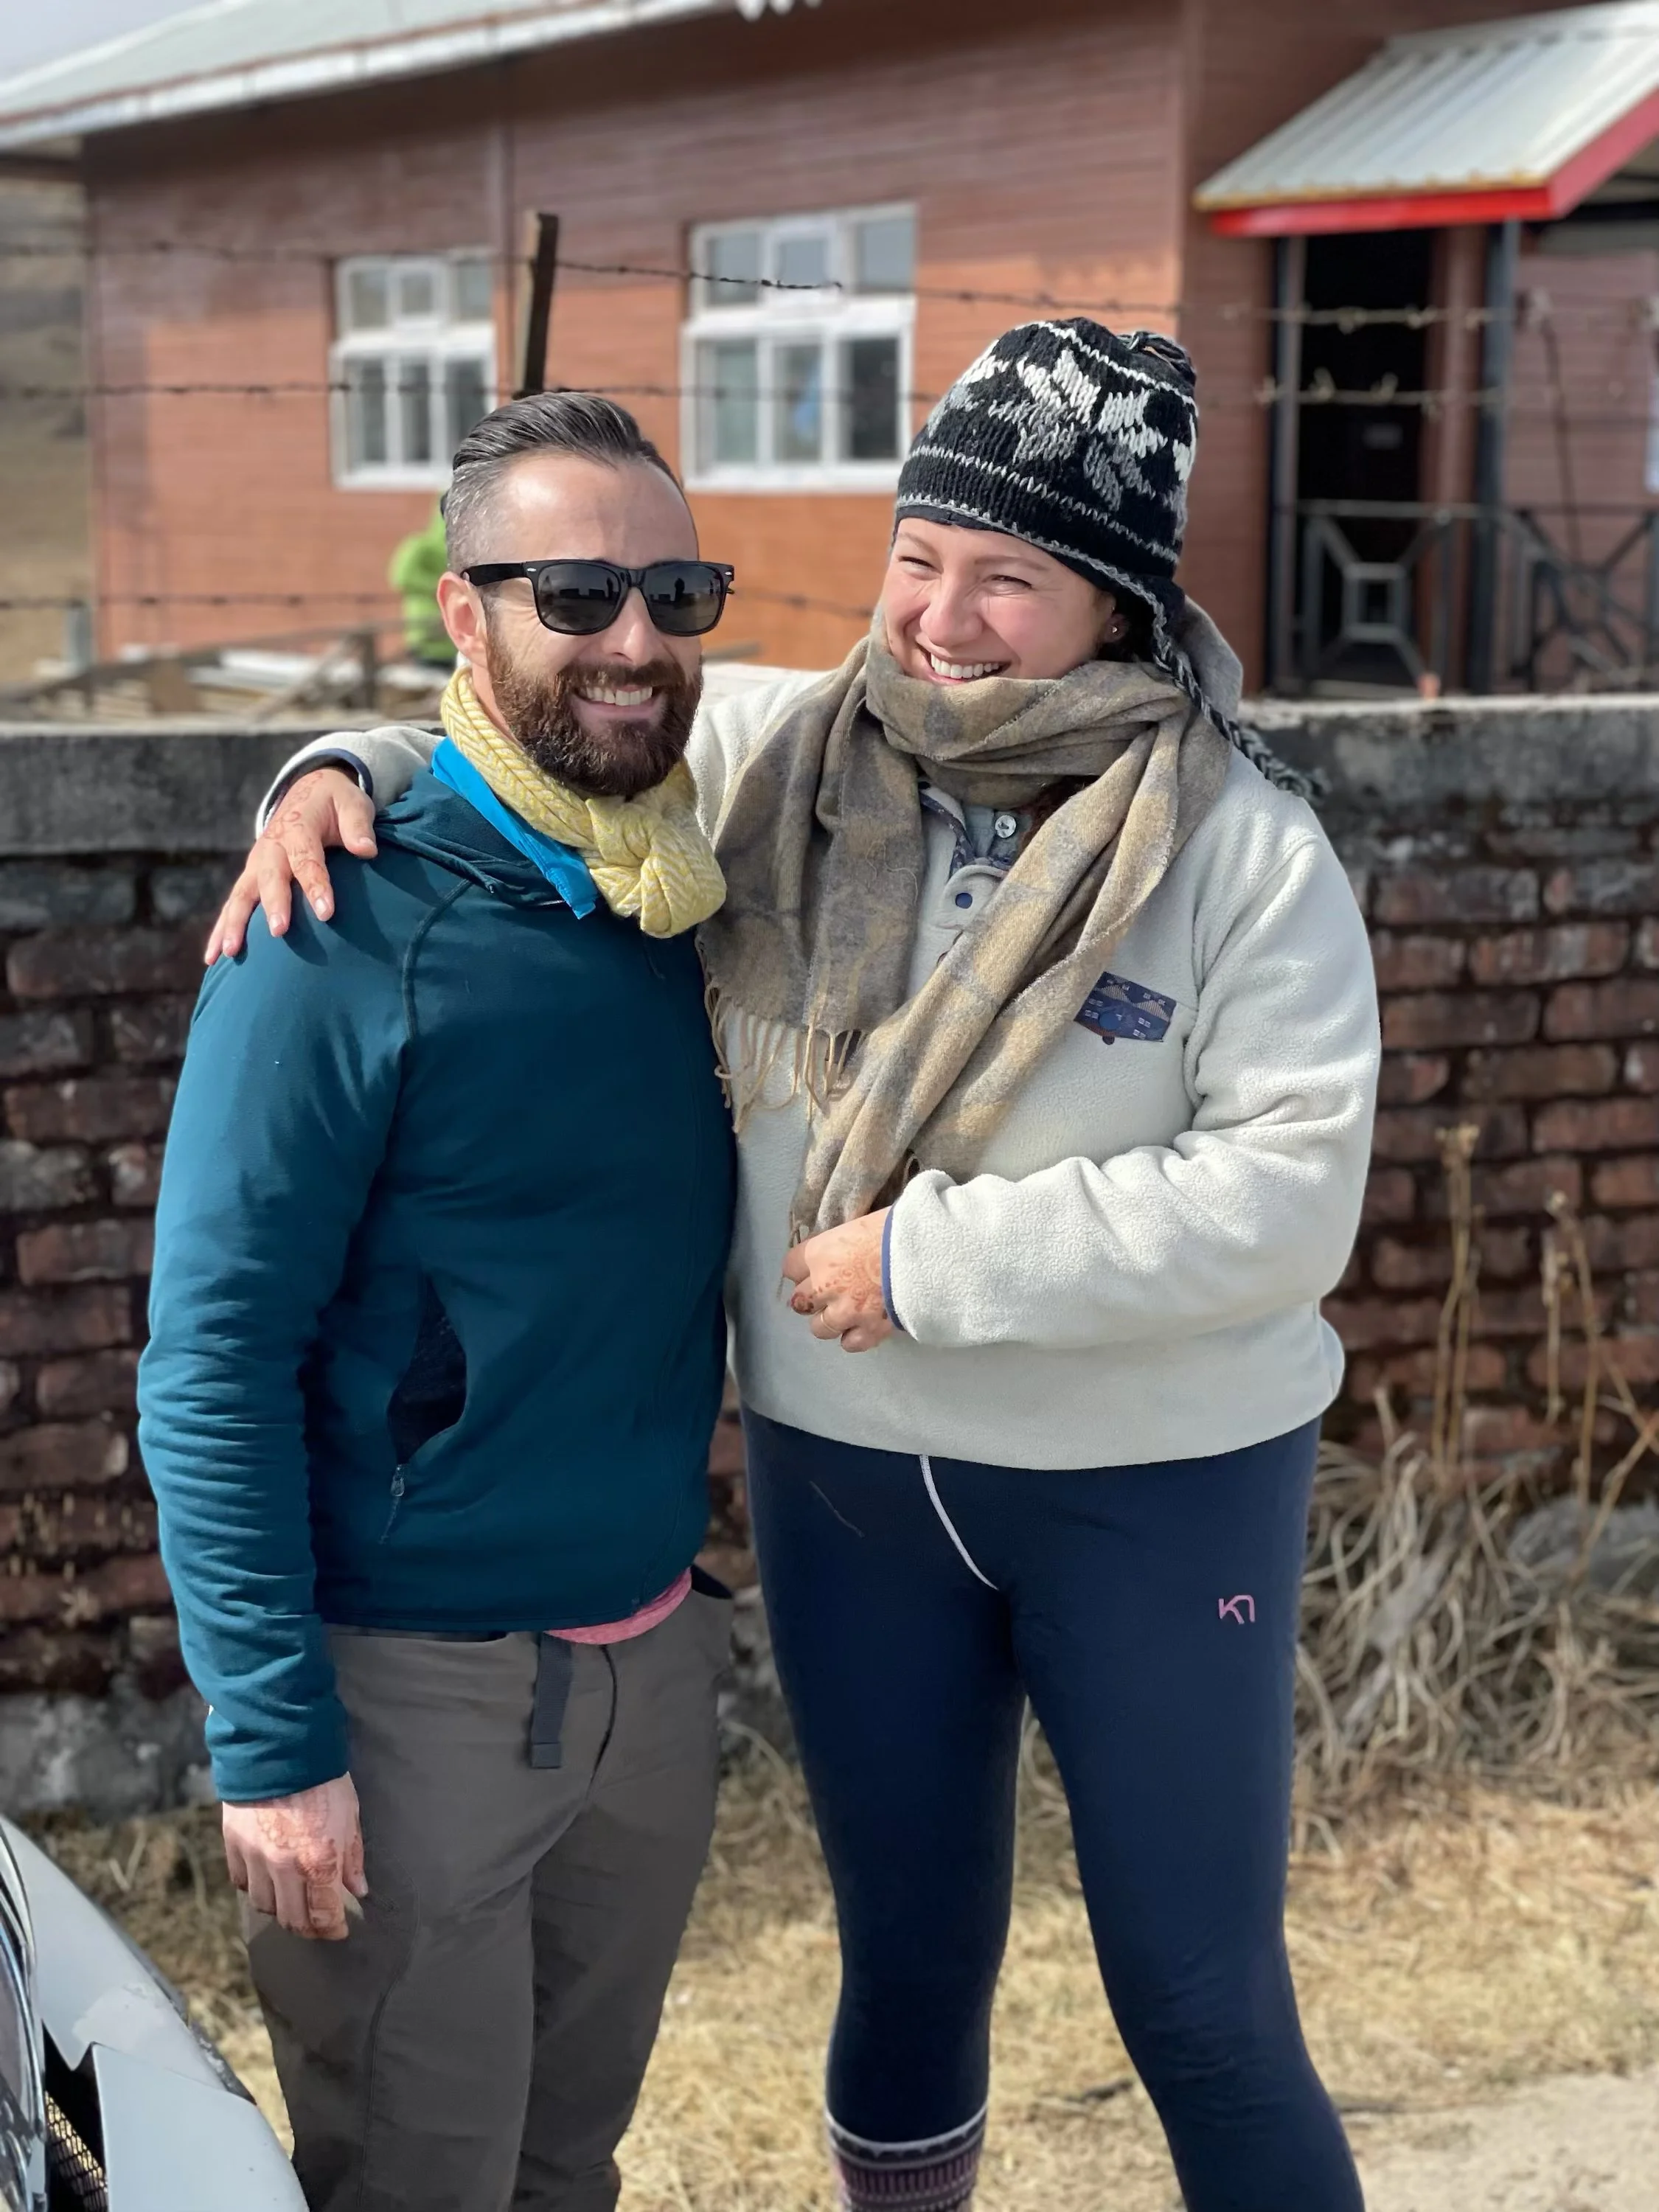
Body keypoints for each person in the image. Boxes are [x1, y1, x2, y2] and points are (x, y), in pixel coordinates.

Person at [210, 320, 1380, 2212]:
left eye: (1011, 577)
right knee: (909, 1958)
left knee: (1198, 1994)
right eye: (922, 557)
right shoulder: (780, 750)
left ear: (1118, 604)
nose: (943, 617)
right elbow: (540, 729)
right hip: (851, 1482)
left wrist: (938, 1256)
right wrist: (326, 761)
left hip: (1153, 1488)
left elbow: (1288, 1195)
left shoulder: (1239, 847)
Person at [139, 394, 743, 2212]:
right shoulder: (336, 924)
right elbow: (212, 1355)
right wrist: (273, 1740)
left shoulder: (683, 882)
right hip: (414, 1699)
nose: (633, 636)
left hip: (647, 1672)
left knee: (567, 2167)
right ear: (464, 618)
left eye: (673, 589)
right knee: (419, 2177)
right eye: (575, 591)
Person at [388, 501, 454, 667]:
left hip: (456, 640)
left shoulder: (468, 550)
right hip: (427, 634)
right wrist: (436, 588)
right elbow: (401, 577)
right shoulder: (419, 546)